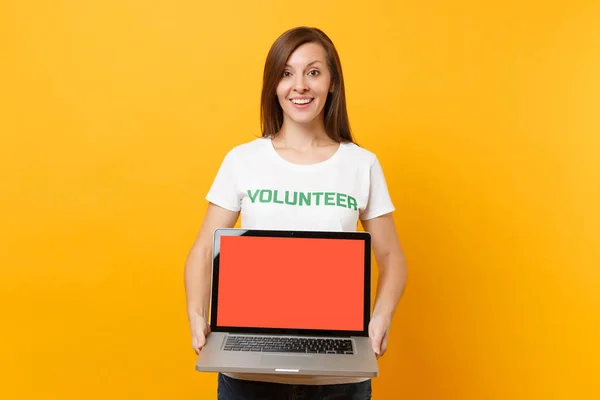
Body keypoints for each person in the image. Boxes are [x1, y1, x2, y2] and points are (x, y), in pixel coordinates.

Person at [184, 26, 407, 400]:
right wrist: (196, 314)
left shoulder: (361, 164)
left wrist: (380, 317)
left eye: (313, 72)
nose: (299, 85)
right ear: (274, 85)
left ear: (332, 82)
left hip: (337, 380)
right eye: (287, 73)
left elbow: (391, 257)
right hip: (248, 373)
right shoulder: (243, 160)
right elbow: (204, 249)